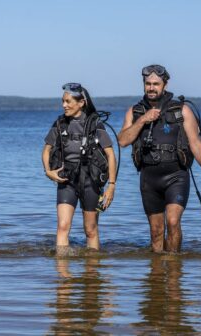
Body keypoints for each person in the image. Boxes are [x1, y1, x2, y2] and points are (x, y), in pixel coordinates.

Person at [117, 65, 201, 253]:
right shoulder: (135, 112)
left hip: (176, 176)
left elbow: (196, 145)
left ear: (165, 84)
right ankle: (157, 277)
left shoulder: (182, 110)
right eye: (148, 84)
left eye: (156, 84)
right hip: (149, 178)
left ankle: (174, 272)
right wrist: (143, 120)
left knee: (173, 222)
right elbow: (122, 141)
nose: (151, 87)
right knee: (157, 231)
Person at [42, 83, 117, 253]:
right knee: (62, 226)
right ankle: (63, 275)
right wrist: (48, 171)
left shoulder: (95, 124)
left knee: (90, 229)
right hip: (66, 180)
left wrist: (111, 185)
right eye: (63, 101)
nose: (64, 105)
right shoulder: (60, 123)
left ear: (81, 103)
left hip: (91, 181)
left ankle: (92, 274)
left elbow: (111, 155)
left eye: (68, 101)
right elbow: (46, 150)